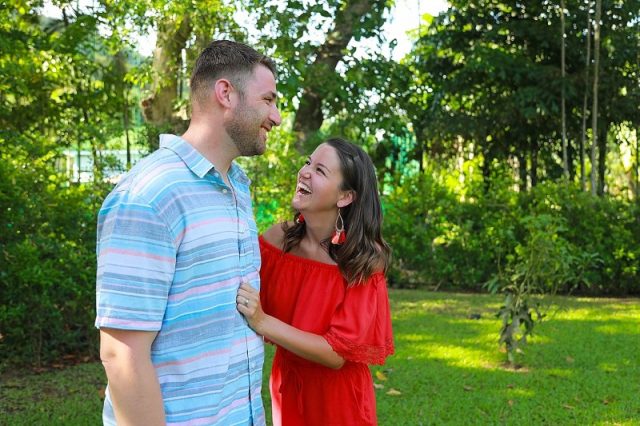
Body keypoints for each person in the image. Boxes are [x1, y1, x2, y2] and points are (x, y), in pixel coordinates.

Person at [95, 40, 281, 425]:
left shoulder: (237, 186)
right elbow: (122, 353)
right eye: (268, 100)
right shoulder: (150, 195)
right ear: (226, 93)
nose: (276, 117)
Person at [237, 138, 394, 425]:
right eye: (308, 162)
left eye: (320, 170)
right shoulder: (277, 242)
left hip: (339, 400)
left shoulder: (362, 260)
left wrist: (262, 321)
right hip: (289, 385)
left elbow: (336, 353)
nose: (305, 171)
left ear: (345, 196)